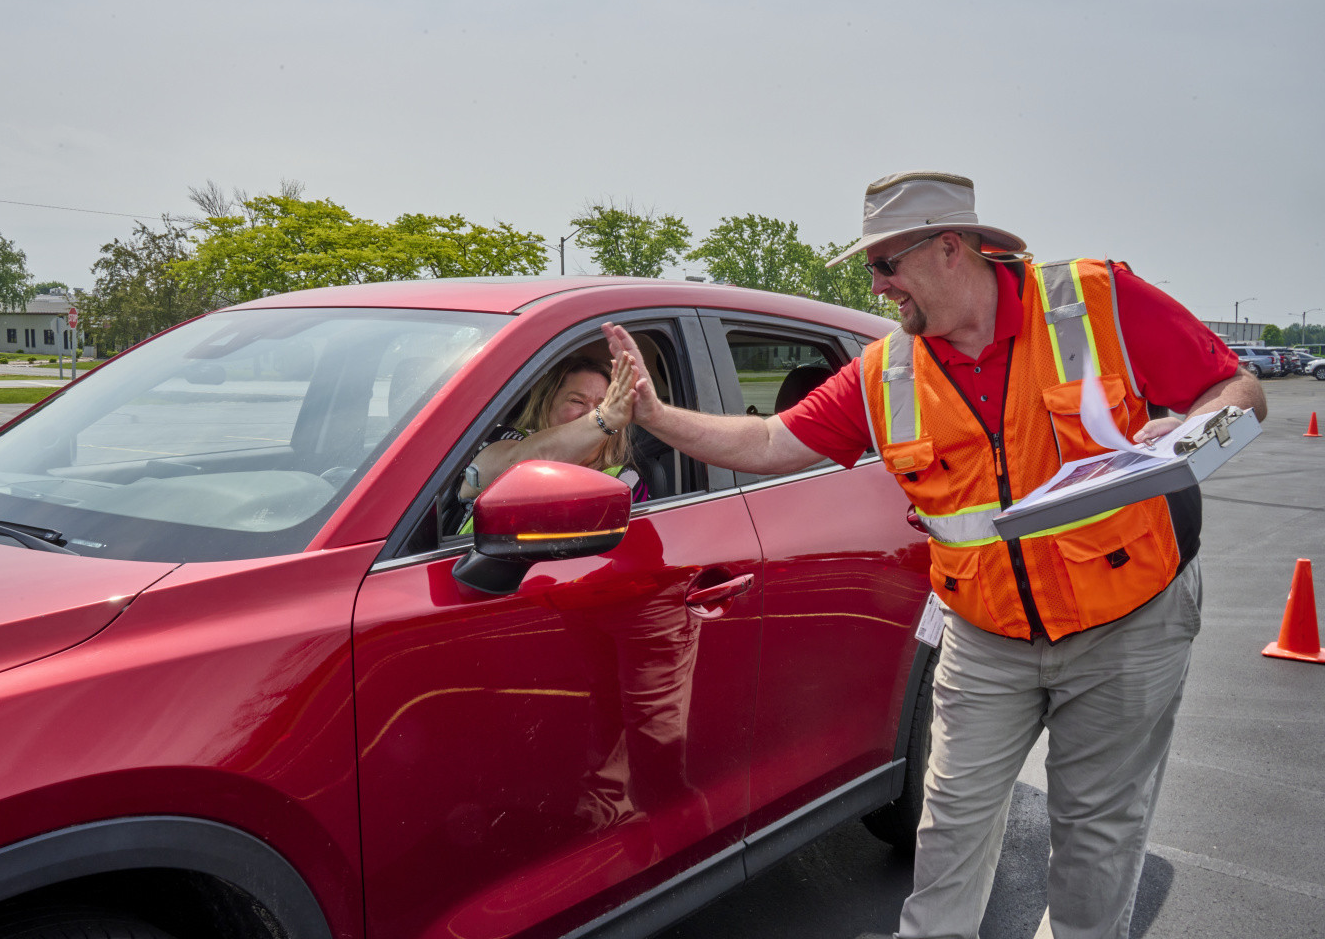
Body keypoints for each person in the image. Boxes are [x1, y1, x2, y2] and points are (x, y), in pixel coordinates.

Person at [604, 170, 1266, 939]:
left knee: (1095, 845)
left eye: (887, 265)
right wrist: (654, 413)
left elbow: (1235, 389)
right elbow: (768, 440)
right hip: (985, 640)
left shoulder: (1092, 300)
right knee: (948, 837)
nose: (879, 287)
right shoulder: (888, 372)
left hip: (1129, 625)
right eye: (871, 271)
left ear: (951, 248)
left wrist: (1191, 434)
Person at [458, 353, 647, 532]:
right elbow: (514, 466)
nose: (590, 414)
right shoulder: (504, 439)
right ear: (545, 405)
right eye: (577, 401)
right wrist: (604, 419)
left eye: (602, 405)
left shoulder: (624, 481)